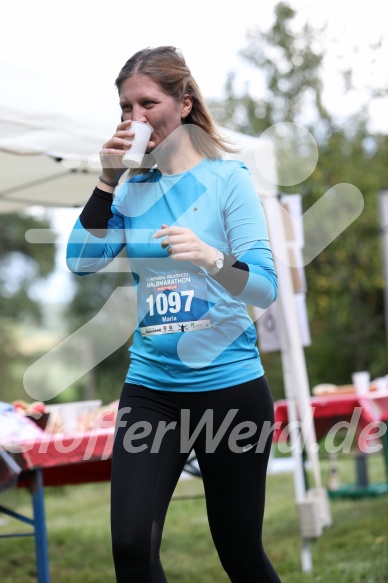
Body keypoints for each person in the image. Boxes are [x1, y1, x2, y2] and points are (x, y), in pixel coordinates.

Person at [66, 46, 281, 583]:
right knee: (132, 546)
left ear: (183, 105)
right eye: (124, 108)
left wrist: (210, 257)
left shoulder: (229, 179)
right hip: (152, 391)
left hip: (230, 390)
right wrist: (107, 180)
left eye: (146, 103)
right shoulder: (131, 191)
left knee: (239, 552)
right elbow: (81, 260)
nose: (134, 118)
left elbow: (264, 288)